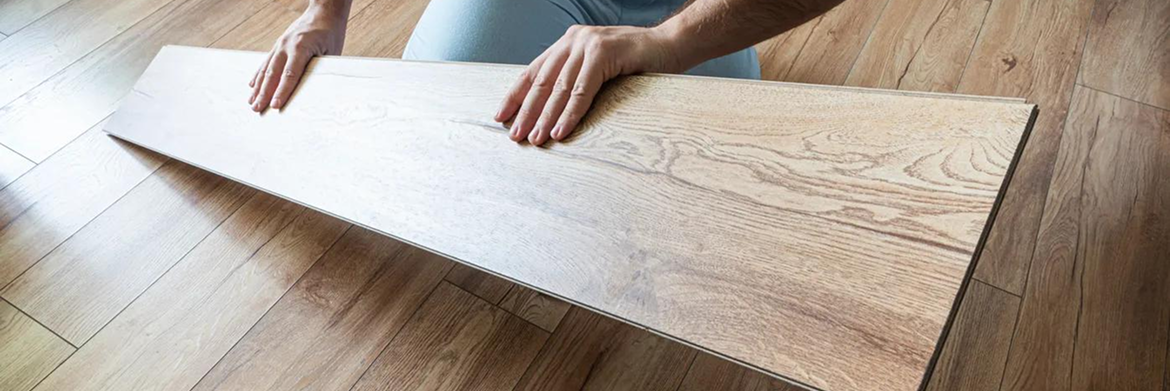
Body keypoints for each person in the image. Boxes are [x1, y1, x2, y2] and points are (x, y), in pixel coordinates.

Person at [248, 0, 841, 146]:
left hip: (685, 12)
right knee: (442, 129)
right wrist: (323, 11)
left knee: (716, 190)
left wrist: (671, 41)